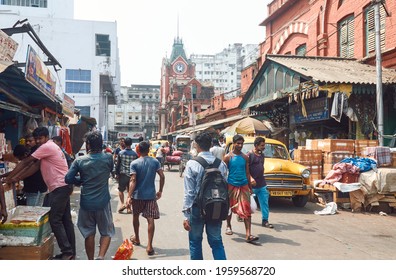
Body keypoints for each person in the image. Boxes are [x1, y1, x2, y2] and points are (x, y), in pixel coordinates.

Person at [6, 127, 75, 259]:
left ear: (46, 137)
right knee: (65, 220)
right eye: (36, 139)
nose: (38, 141)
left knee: (55, 220)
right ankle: (70, 252)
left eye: (40, 138)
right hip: (63, 186)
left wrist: (11, 178)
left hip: (59, 187)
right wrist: (13, 177)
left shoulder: (46, 147)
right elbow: (34, 167)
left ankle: (67, 252)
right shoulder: (50, 147)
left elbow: (26, 162)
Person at [65, 131, 115, 260]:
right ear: (102, 144)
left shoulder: (79, 161)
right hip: (103, 202)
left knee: (89, 234)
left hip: (86, 202)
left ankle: (91, 260)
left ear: (87, 145)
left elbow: (68, 178)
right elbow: (110, 171)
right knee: (106, 232)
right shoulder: (108, 158)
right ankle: (101, 257)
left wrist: (80, 181)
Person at [182, 132, 227, 260]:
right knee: (217, 242)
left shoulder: (192, 164)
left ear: (196, 145)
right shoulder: (221, 164)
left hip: (197, 208)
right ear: (211, 145)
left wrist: (186, 215)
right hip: (216, 206)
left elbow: (189, 193)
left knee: (195, 242)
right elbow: (225, 187)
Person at [126, 141, 165, 256]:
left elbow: (133, 180)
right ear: (148, 150)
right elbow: (162, 176)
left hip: (137, 195)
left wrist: (129, 196)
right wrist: (160, 190)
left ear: (138, 150)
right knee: (150, 219)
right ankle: (149, 246)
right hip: (150, 195)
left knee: (135, 216)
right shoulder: (155, 162)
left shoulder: (134, 163)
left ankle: (137, 238)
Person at [223, 134, 258, 243]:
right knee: (229, 208)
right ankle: (228, 226)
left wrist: (250, 187)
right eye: (238, 143)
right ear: (233, 144)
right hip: (231, 185)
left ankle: (248, 234)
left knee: (247, 210)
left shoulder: (245, 157)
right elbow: (224, 173)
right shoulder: (228, 157)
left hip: (243, 186)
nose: (240, 145)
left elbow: (247, 173)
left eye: (241, 143)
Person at [247, 137, 273, 228]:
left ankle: (265, 220)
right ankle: (241, 215)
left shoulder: (262, 155)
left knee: (264, 202)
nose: (263, 147)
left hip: (262, 184)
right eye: (262, 145)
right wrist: (250, 178)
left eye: (264, 145)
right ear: (256, 145)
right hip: (251, 186)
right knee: (248, 205)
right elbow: (246, 170)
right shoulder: (249, 155)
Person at [115, 137, 138, 213]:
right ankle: (129, 208)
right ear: (131, 144)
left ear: (124, 143)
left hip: (123, 174)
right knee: (130, 192)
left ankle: (122, 204)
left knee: (121, 190)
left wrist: (116, 174)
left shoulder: (121, 153)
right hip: (132, 175)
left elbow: (118, 165)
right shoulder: (135, 154)